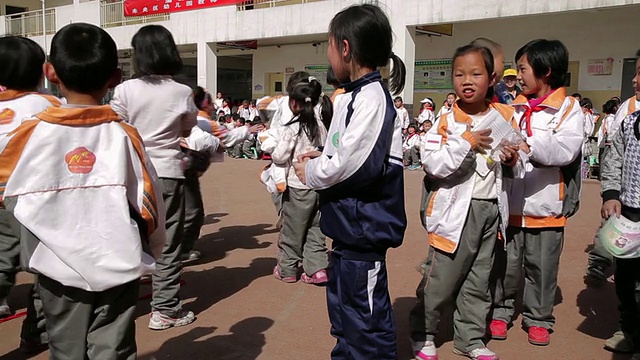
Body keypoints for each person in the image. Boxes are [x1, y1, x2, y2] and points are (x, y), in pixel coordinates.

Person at [0, 22, 166, 359]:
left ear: (51, 72)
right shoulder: (124, 136)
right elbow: (150, 204)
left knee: (65, 347)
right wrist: (155, 252)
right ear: (115, 78)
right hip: (118, 262)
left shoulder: (30, 135)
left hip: (56, 267)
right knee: (114, 347)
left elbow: (7, 194)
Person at [292, 4, 407, 359]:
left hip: (364, 230)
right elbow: (342, 152)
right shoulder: (352, 97)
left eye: (328, 46)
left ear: (344, 48)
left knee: (366, 321)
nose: (327, 54)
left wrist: (311, 173)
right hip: (346, 232)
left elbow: (357, 168)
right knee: (345, 317)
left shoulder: (371, 98)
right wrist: (322, 157)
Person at [410, 44, 520, 360]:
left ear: (492, 77)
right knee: (440, 278)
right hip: (455, 212)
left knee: (479, 279)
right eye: (459, 74)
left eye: (475, 74)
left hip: (490, 211)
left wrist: (512, 161)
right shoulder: (446, 120)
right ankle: (424, 332)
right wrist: (466, 142)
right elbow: (433, 164)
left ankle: (470, 338)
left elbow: (518, 159)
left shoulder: (504, 116)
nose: (466, 81)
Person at [489, 39, 584, 346]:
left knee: (542, 268)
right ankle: (501, 312)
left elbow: (566, 149)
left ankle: (538, 317)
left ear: (546, 71)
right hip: (512, 203)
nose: (518, 76)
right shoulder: (512, 107)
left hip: (547, 207)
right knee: (506, 265)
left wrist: (531, 145)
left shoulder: (569, 109)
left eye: (523, 69)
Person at [111, 24, 198, 330]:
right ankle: (164, 309)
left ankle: (118, 306)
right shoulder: (183, 92)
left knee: (128, 238)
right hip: (168, 172)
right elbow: (187, 129)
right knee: (168, 243)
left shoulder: (124, 90)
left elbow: (115, 127)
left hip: (130, 174)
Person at [0, 35, 61, 356]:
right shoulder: (49, 105)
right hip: (34, 202)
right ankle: (35, 335)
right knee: (45, 271)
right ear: (41, 70)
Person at [599, 50, 640, 360]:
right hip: (630, 213)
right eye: (636, 72)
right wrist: (611, 193)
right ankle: (628, 329)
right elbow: (613, 159)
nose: (636, 80)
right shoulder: (629, 123)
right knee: (626, 277)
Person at [272, 76, 332, 284]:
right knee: (316, 228)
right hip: (319, 184)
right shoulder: (323, 126)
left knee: (293, 229)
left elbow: (279, 156)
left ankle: (287, 268)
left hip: (298, 186)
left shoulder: (294, 127)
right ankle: (317, 268)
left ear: (294, 103)